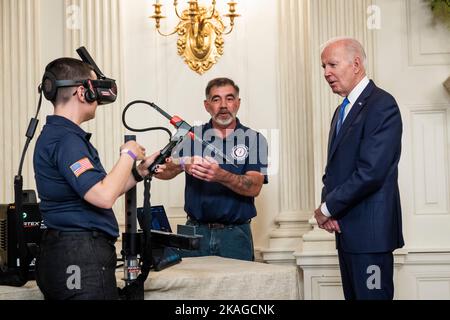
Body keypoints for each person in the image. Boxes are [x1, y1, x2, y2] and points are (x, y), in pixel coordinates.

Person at [33, 57, 158, 300]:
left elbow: (98, 189)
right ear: (83, 92)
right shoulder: (67, 140)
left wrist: (139, 172)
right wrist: (128, 153)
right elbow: (103, 197)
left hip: (69, 251)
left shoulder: (59, 135)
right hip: (79, 254)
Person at [314, 37, 404, 300]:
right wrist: (329, 209)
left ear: (356, 64)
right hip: (347, 234)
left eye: (332, 64)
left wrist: (327, 208)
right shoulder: (341, 110)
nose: (326, 73)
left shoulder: (382, 104)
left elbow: (371, 172)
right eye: (323, 67)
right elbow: (335, 170)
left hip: (371, 237)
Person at [155, 77, 268, 261]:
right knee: (193, 289)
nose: (223, 105)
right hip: (195, 232)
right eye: (216, 99)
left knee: (238, 289)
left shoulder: (254, 139)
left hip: (235, 236)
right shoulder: (192, 135)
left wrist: (220, 175)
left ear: (238, 103)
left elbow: (254, 187)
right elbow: (160, 170)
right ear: (207, 105)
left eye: (229, 98)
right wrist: (183, 162)